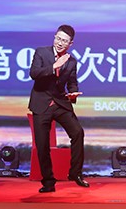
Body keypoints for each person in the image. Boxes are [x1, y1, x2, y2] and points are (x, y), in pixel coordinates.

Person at [28, 24, 88, 193]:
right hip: (41, 103)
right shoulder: (41, 52)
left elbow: (72, 82)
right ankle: (48, 182)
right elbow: (34, 73)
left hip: (61, 103)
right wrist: (54, 66)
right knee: (42, 144)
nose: (60, 43)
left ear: (71, 44)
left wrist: (73, 93)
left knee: (78, 132)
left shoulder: (72, 61)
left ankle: (75, 173)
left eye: (65, 41)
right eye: (59, 39)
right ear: (54, 37)